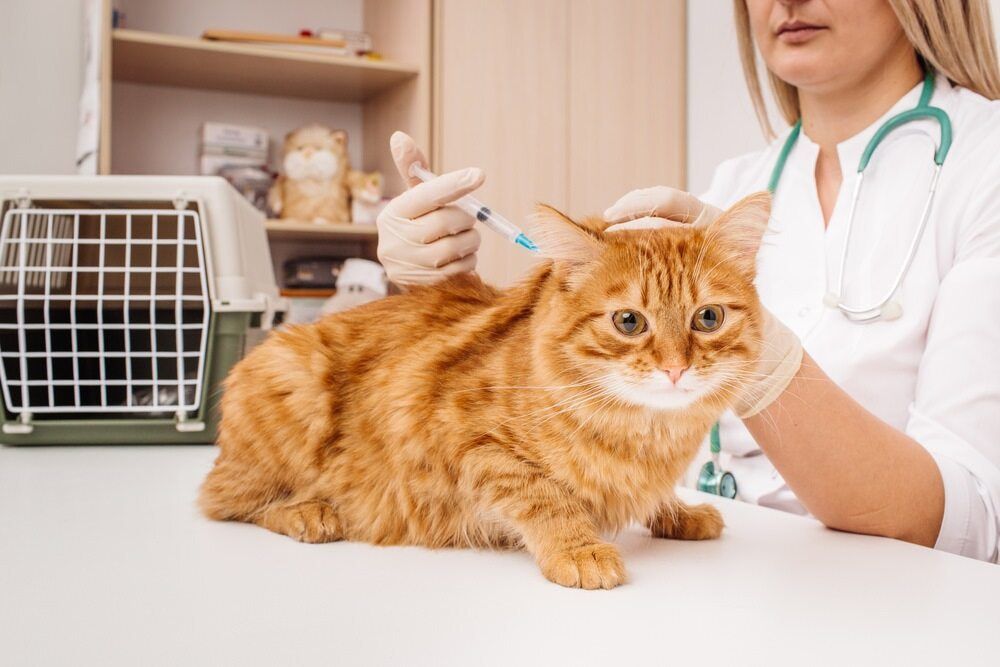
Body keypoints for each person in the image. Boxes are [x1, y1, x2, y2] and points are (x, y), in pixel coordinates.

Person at [375, 0, 1000, 563]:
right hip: (707, 568)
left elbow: (965, 523)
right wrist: (454, 297)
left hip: (890, 595)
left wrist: (767, 363)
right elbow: (592, 379)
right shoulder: (736, 182)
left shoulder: (985, 163)